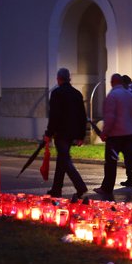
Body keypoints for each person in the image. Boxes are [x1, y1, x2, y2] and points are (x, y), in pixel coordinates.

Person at [95, 73, 132, 197]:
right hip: (130, 133)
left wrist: (105, 133)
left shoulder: (112, 96)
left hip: (116, 135)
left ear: (113, 82)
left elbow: (110, 117)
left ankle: (107, 187)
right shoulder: (130, 95)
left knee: (111, 161)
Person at [44, 67, 89, 200]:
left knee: (64, 160)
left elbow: (54, 116)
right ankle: (56, 189)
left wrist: (49, 133)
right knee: (62, 159)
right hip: (73, 132)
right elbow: (82, 115)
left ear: (59, 79)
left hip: (61, 132)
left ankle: (80, 186)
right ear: (69, 78)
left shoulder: (57, 93)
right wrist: (81, 135)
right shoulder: (77, 93)